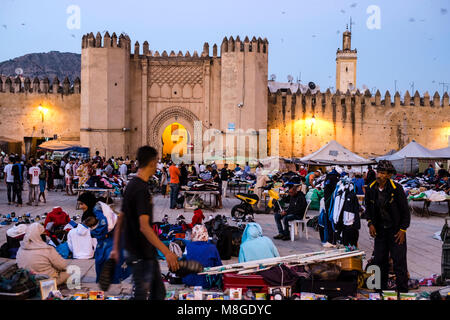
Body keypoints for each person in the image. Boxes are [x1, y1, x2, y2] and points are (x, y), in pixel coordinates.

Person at [110, 146, 179, 300]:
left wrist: (115, 248)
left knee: (158, 293)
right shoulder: (140, 189)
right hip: (139, 253)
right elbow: (144, 227)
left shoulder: (132, 185)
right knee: (142, 294)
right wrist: (167, 252)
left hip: (143, 252)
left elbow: (121, 218)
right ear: (153, 162)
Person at [366, 160, 410, 293]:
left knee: (399, 262)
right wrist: (370, 223)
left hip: (396, 231)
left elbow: (405, 212)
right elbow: (367, 208)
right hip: (380, 231)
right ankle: (380, 291)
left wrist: (403, 229)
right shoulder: (370, 188)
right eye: (378, 172)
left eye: (383, 173)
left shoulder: (397, 189)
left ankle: (402, 291)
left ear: (389, 175)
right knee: (379, 261)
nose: (379, 175)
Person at [182, 225, 222, 289]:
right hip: (207, 282)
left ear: (194, 234)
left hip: (190, 281)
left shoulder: (188, 246)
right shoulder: (212, 247)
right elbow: (219, 265)